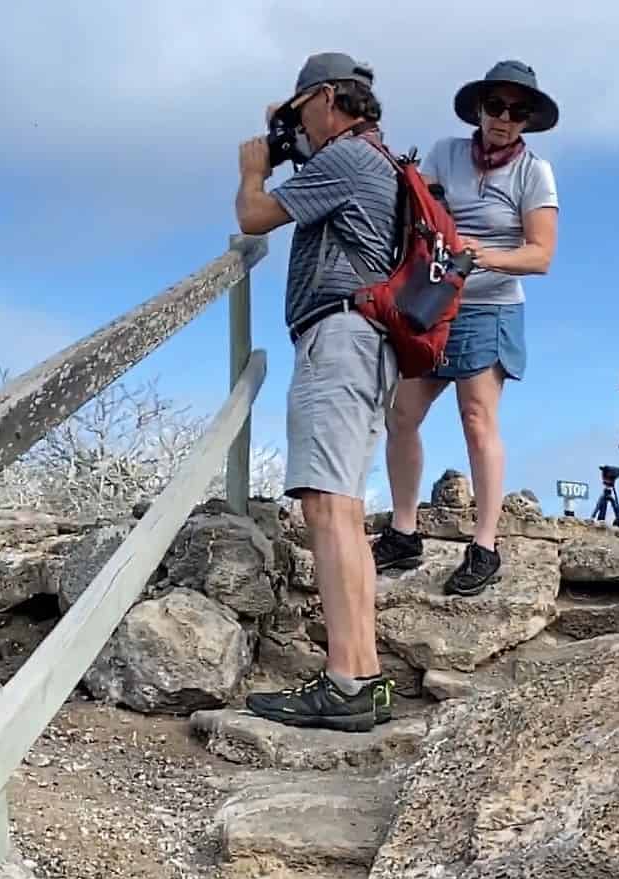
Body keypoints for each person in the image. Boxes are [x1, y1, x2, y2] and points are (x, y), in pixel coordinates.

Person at [233, 52, 400, 732]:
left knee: (327, 510)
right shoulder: (372, 159)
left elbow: (255, 215)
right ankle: (361, 677)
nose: (297, 127)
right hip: (365, 343)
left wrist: (254, 165)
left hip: (339, 337)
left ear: (328, 98)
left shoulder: (348, 158)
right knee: (343, 512)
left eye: (303, 112)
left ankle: (346, 680)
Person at [372, 60, 560, 595]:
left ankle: (485, 544)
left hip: (491, 306)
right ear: (479, 110)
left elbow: (541, 255)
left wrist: (482, 256)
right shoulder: (446, 153)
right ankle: (404, 532)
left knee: (477, 418)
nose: (504, 119)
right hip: (436, 305)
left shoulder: (533, 173)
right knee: (402, 413)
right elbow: (414, 210)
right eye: (495, 107)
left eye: (517, 111)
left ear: (528, 120)